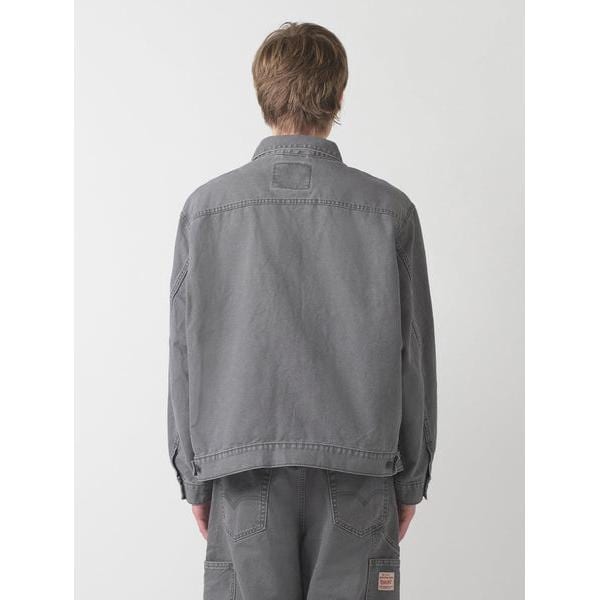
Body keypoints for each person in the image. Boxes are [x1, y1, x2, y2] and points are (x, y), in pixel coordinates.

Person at [168, 22, 436, 600]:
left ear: (262, 95)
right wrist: (410, 480)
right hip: (359, 474)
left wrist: (196, 477)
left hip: (243, 472)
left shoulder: (206, 210)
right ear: (338, 95)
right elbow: (413, 356)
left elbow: (184, 353)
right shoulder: (389, 210)